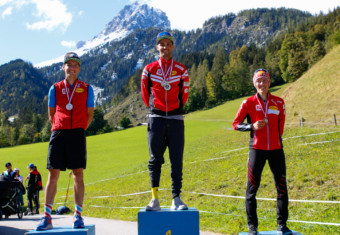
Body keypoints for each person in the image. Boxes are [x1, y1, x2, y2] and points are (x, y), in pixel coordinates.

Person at [36, 52, 94, 230]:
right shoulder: (55, 88)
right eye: (68, 64)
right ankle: (47, 217)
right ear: (63, 67)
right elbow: (51, 114)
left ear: (79, 68)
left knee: (78, 173)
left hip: (77, 133)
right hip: (58, 133)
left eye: (75, 65)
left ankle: (77, 216)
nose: (72, 67)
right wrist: (60, 126)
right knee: (53, 174)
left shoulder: (86, 88)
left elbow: (89, 114)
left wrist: (78, 127)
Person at [232, 69, 292, 235]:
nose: (262, 84)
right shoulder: (248, 103)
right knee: (251, 190)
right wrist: (252, 126)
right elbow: (235, 124)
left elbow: (281, 127)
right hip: (256, 150)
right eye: (258, 81)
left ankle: (282, 225)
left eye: (264, 80)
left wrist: (274, 139)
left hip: (276, 150)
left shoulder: (279, 102)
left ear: (269, 82)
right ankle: (252, 228)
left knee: (282, 188)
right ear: (254, 83)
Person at [141, 32, 190, 211]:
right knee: (155, 159)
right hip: (156, 118)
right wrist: (155, 109)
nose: (165, 47)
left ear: (172, 47)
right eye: (161, 44)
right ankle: (154, 199)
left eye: (168, 44)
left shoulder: (181, 69)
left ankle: (176, 198)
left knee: (176, 159)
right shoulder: (149, 69)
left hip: (176, 118)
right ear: (157, 47)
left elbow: (184, 93)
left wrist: (175, 110)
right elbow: (145, 93)